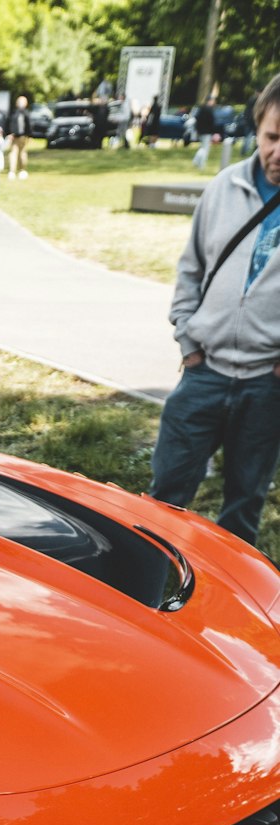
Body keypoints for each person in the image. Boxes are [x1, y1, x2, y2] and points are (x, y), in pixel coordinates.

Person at [150, 73, 280, 549]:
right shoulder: (224, 188)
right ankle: (148, 591)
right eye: (272, 137)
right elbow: (190, 270)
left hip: (267, 385)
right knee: (166, 495)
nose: (278, 151)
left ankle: (229, 612)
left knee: (244, 504)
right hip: (204, 372)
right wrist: (188, 342)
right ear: (258, 129)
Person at [6, 94, 31, 178]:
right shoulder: (13, 112)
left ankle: (22, 170)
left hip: (23, 137)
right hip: (14, 136)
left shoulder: (25, 113)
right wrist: (9, 133)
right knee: (13, 153)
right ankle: (12, 171)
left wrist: (29, 135)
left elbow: (29, 125)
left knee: (22, 153)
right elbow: (8, 123)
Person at [193, 98, 215, 169]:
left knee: (202, 147)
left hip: (201, 131)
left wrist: (197, 130)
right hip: (207, 131)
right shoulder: (210, 110)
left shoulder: (201, 108)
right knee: (205, 148)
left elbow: (197, 119)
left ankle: (196, 160)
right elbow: (212, 122)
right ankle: (201, 164)